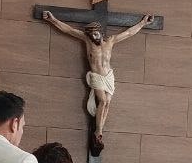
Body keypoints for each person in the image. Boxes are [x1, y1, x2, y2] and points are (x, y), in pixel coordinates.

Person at [41, 10, 154, 155]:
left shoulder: (111, 41)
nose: (95, 36)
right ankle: (98, 130)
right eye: (92, 34)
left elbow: (129, 33)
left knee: (107, 102)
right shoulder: (87, 41)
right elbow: (68, 29)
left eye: (96, 33)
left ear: (100, 32)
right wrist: (53, 20)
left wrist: (143, 23)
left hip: (108, 76)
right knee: (102, 100)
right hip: (96, 77)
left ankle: (100, 132)